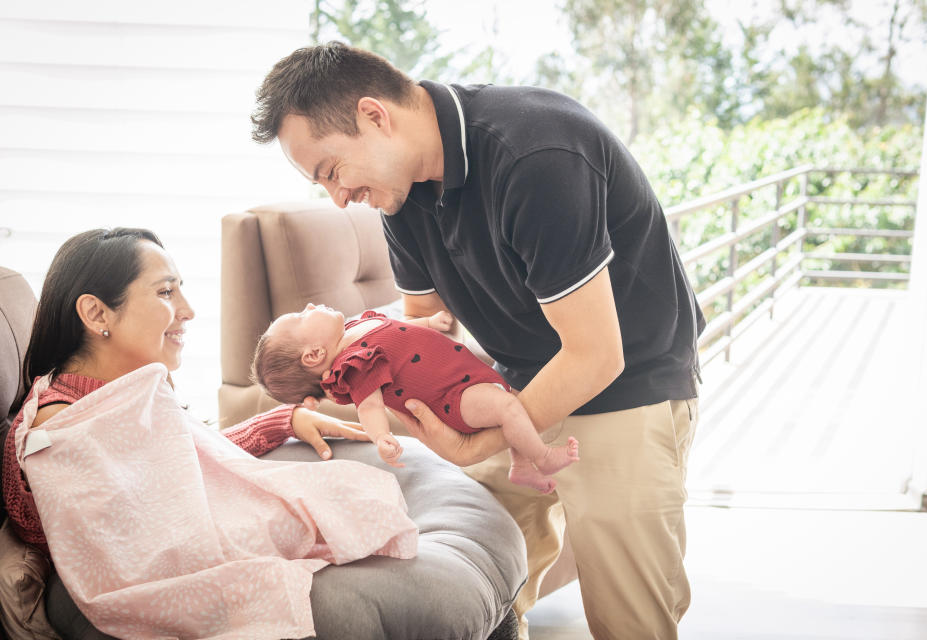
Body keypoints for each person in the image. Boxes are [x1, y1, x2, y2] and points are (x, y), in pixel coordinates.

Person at [252, 42, 705, 640]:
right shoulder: (402, 197)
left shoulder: (535, 153)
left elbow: (597, 354)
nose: (337, 198)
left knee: (630, 620)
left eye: (332, 171)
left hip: (625, 387)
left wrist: (483, 442)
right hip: (512, 381)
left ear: (374, 116)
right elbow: (422, 327)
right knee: (483, 584)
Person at [1, 228, 373, 558]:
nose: (189, 311)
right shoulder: (63, 429)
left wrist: (283, 421)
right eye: (166, 291)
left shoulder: (121, 391)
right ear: (97, 314)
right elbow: (145, 546)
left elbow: (177, 462)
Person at [254, 305, 580, 492]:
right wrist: (381, 437)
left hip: (459, 375)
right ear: (313, 354)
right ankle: (541, 456)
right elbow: (369, 405)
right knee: (508, 408)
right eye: (300, 317)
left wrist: (428, 323)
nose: (309, 306)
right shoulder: (353, 365)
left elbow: (397, 329)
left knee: (506, 400)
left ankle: (520, 466)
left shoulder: (356, 326)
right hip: (450, 398)